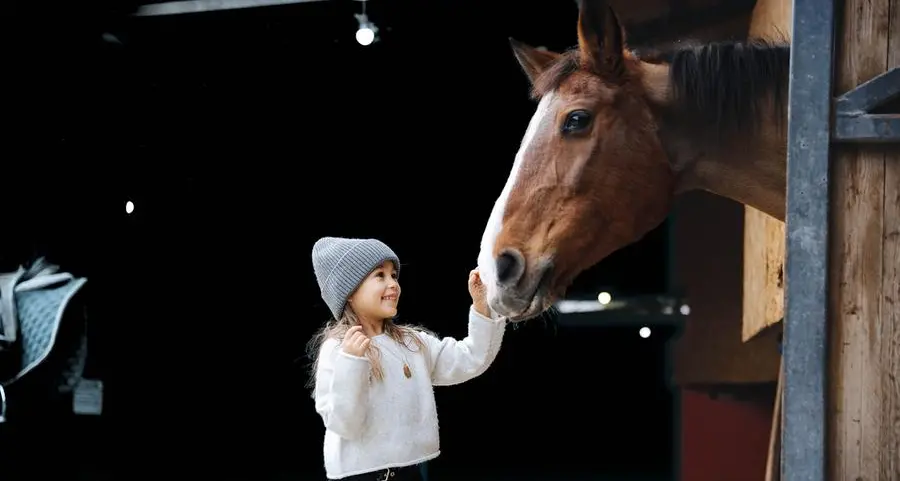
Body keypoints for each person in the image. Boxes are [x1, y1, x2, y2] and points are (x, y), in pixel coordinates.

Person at [306, 236, 507, 481]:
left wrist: (482, 306)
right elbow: (344, 424)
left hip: (411, 471)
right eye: (380, 275)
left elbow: (471, 358)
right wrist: (352, 363)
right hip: (359, 476)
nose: (393, 284)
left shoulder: (412, 343)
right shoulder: (338, 349)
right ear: (349, 291)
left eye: (394, 275)